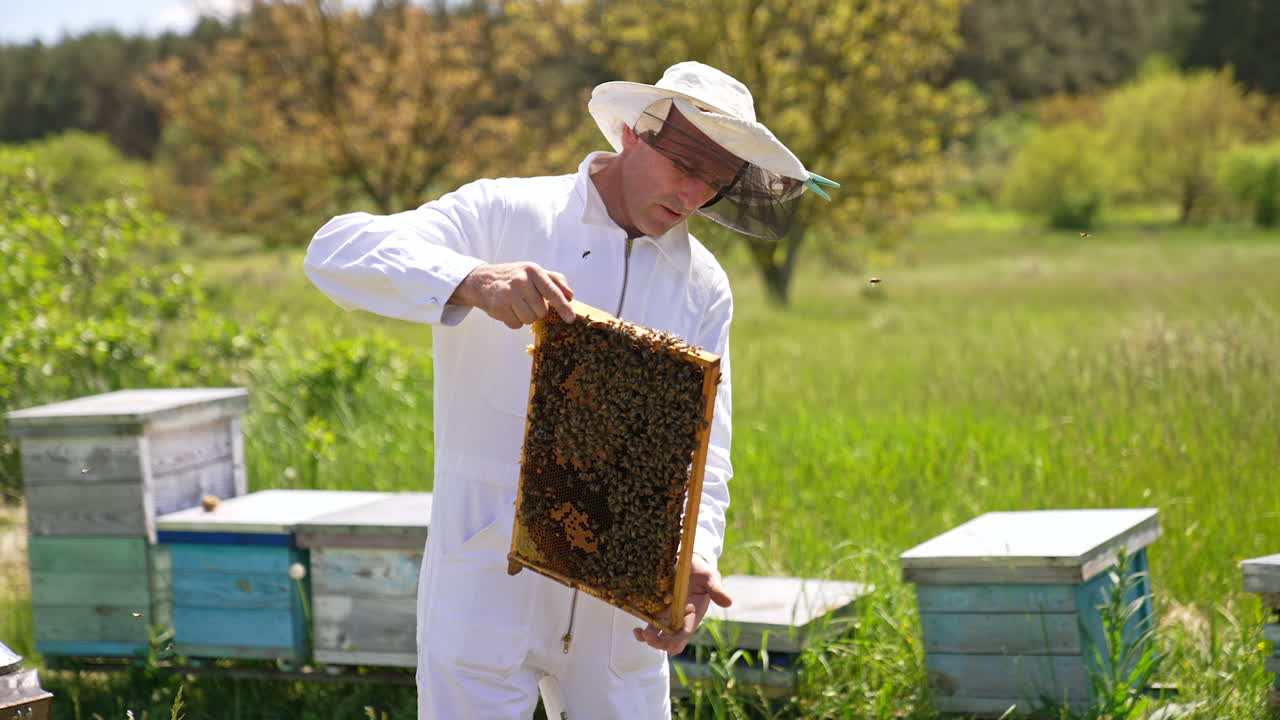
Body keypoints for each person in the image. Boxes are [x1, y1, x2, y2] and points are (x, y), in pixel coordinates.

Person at [303, 61, 836, 720]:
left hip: (623, 601)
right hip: (487, 575)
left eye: (715, 183)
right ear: (637, 134)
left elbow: (706, 446)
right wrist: (473, 278)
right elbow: (334, 250)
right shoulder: (506, 210)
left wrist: (695, 556)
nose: (694, 196)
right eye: (684, 167)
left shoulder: (703, 284)